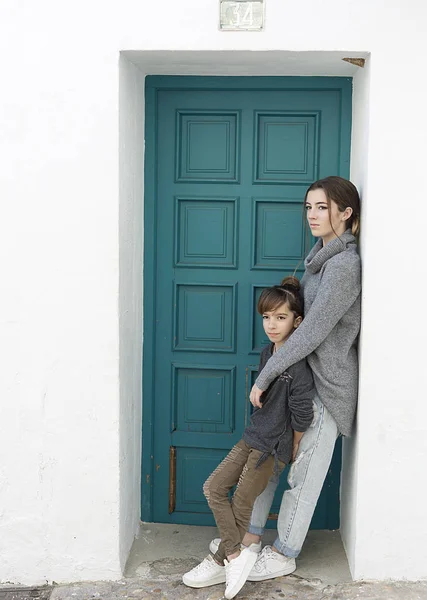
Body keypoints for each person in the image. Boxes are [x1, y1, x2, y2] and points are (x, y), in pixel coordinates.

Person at [194, 175, 362, 585]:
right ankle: (245, 544)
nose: (313, 215)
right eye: (309, 207)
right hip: (295, 381)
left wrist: (264, 376)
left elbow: (312, 331)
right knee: (265, 468)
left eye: (323, 207)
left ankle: (284, 552)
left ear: (346, 212)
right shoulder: (318, 259)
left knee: (302, 478)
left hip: (325, 388)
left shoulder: (343, 266)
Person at [182, 278, 315, 599]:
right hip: (251, 437)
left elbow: (302, 413)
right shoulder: (267, 352)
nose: (272, 324)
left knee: (242, 503)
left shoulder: (298, 366)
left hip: (270, 448)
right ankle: (233, 555)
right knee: (213, 488)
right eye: (267, 317)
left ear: (297, 321)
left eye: (281, 318)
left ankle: (222, 558)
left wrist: (293, 444)